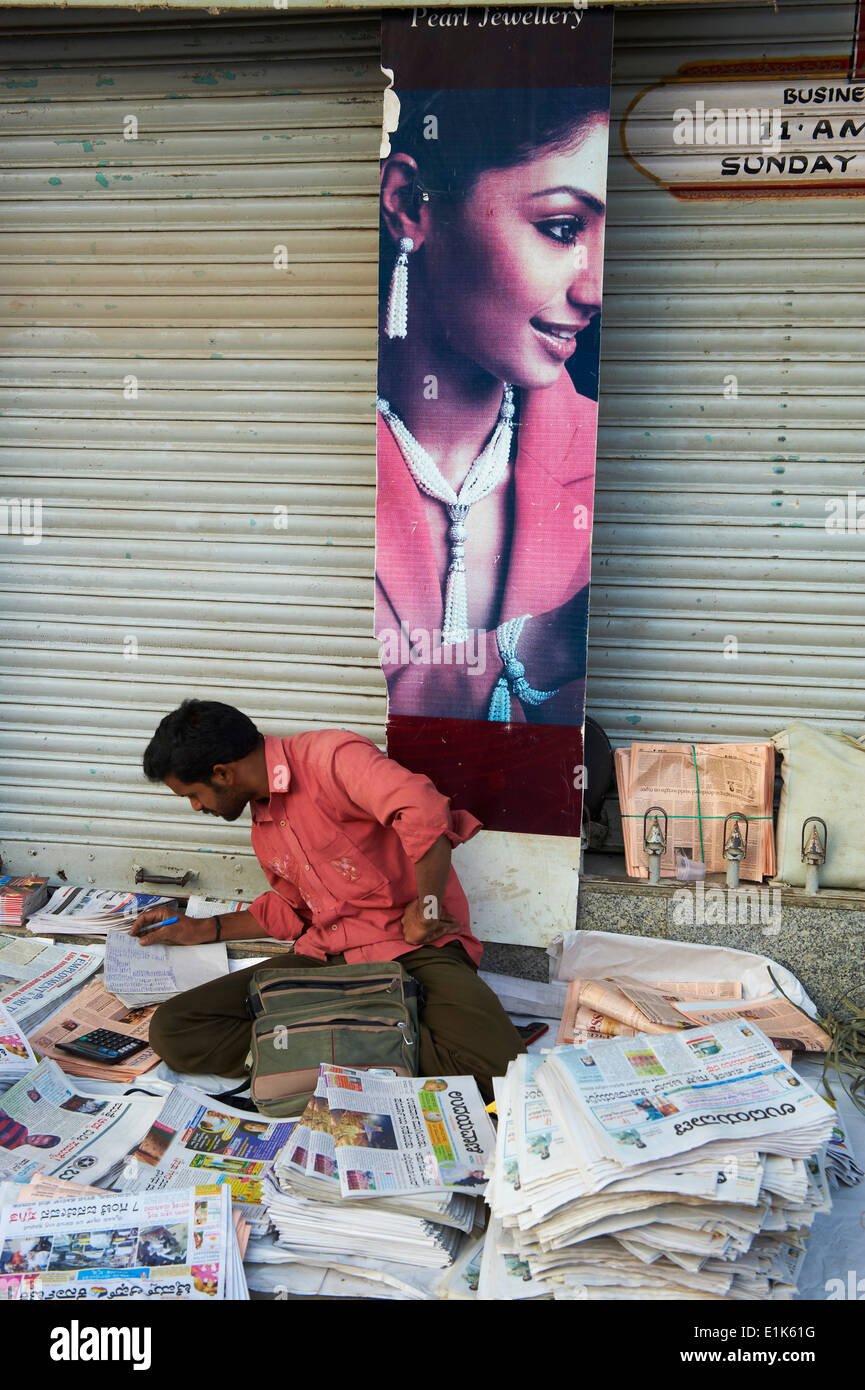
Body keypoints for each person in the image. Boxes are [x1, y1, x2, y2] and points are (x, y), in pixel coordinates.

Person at [132, 699, 525, 1101]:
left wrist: (427, 908)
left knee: (499, 1073)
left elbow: (423, 811)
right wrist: (203, 928)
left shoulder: (331, 758)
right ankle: (377, 1035)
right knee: (175, 1030)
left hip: (413, 950)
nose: (197, 807)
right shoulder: (264, 824)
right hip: (327, 962)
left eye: (193, 795)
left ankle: (325, 1045)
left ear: (222, 774)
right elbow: (297, 909)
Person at [376, 87, 608, 725]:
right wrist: (541, 644)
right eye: (563, 229)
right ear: (409, 205)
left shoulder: (612, 463)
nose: (595, 289)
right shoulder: (287, 453)